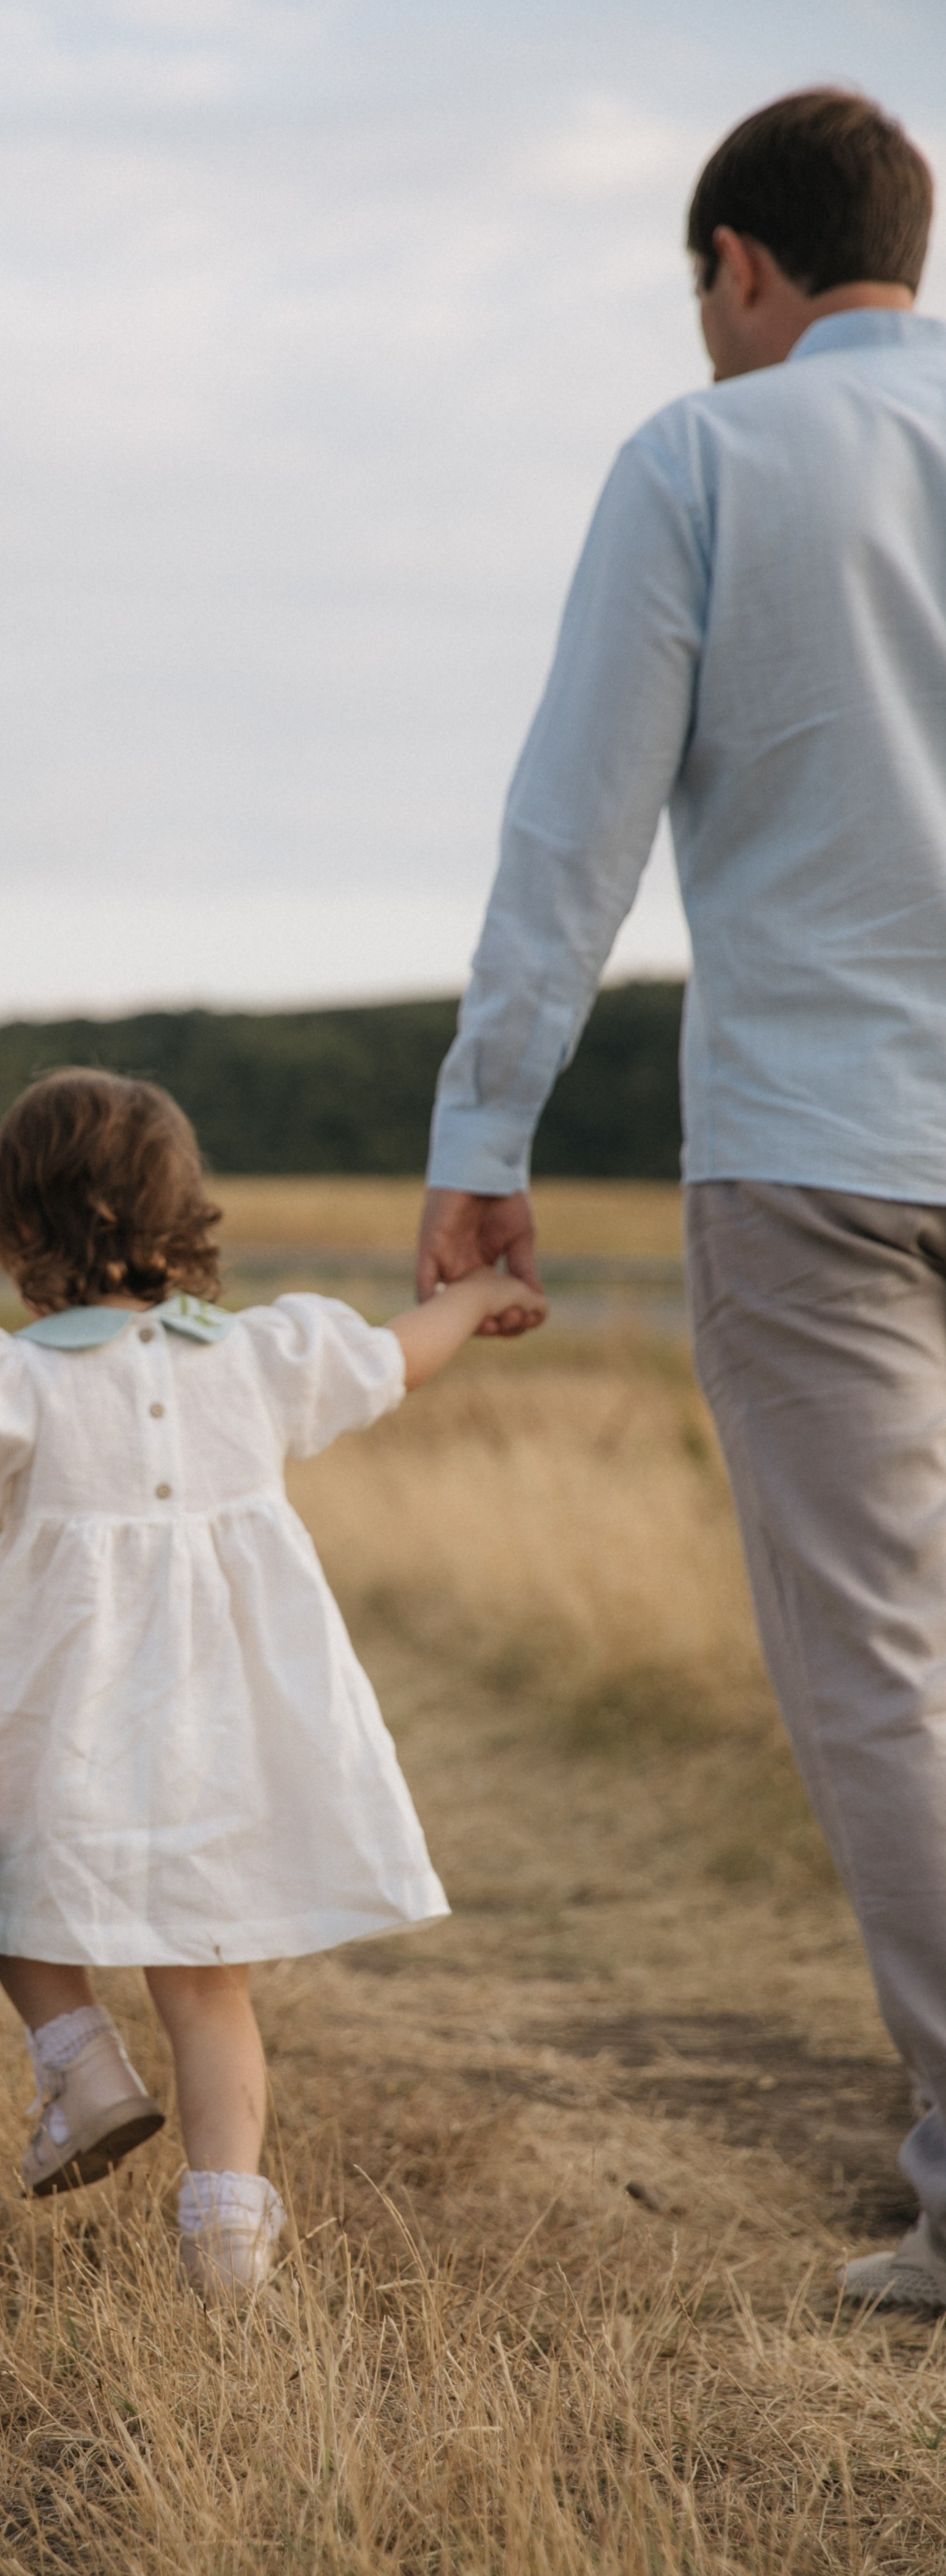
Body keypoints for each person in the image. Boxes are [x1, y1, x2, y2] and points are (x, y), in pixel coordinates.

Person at [413, 89, 946, 2309]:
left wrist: (484, 1139)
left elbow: (577, 832)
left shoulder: (703, 462)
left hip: (820, 1149)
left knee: (885, 1675)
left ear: (744, 263)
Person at [0, 1069, 539, 2299]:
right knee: (209, 1982)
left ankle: (79, 2062)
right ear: (183, 1217)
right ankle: (227, 2237)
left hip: (61, 1714)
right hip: (223, 1726)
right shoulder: (260, 1354)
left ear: (19, 1232)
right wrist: (482, 1290)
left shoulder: (8, 1379)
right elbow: (393, 1360)